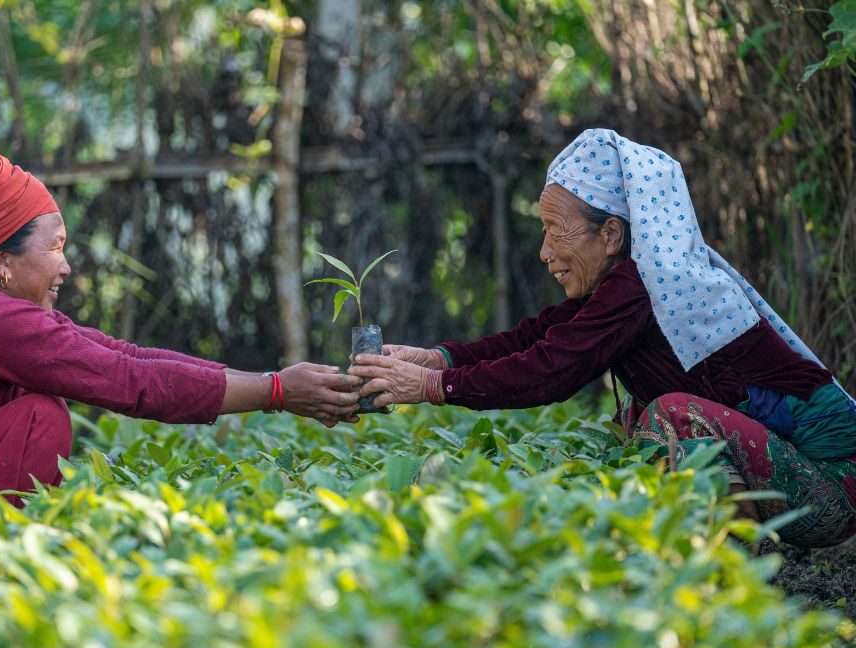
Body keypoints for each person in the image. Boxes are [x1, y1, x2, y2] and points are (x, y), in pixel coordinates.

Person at [0, 153, 361, 629]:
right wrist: (275, 393)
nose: (65, 266)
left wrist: (275, 383)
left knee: (42, 408)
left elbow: (123, 356)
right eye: (55, 248)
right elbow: (129, 382)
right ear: (0, 261)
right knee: (40, 419)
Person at [351, 128, 856, 549]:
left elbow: (552, 369)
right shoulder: (636, 282)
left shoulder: (640, 288)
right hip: (800, 482)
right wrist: (436, 359)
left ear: (611, 235)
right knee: (635, 424)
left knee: (673, 415)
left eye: (557, 231)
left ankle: (735, 575)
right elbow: (539, 336)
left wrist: (433, 386)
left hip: (833, 489)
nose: (545, 252)